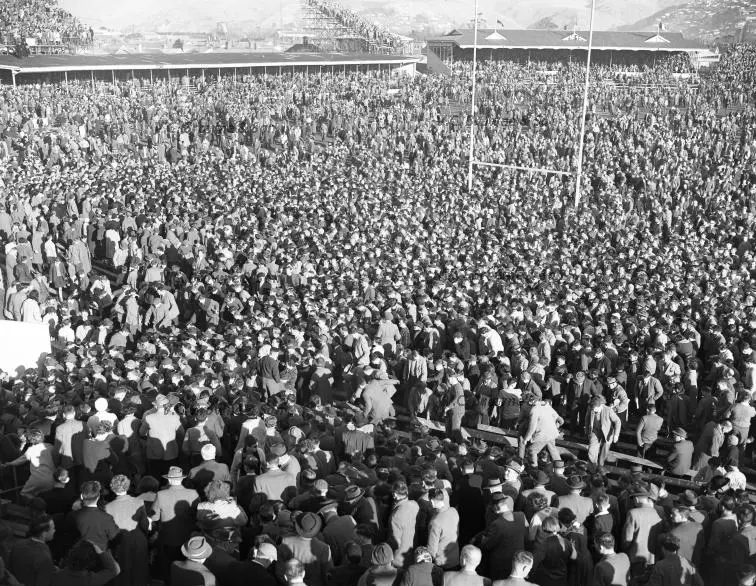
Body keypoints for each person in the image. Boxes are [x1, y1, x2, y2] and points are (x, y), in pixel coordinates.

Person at [151, 466, 201, 582]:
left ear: (169, 480)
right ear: (182, 479)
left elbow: (154, 517)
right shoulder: (193, 493)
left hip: (168, 538)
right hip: (188, 538)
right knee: (187, 570)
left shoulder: (161, 494)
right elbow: (198, 515)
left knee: (169, 570)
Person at [7, 515, 56, 586]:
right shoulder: (45, 559)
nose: (54, 531)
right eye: (53, 528)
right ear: (44, 534)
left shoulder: (17, 544)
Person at [51, 540, 120, 586]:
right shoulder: (91, 580)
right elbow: (115, 570)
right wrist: (100, 551)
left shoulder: (55, 575)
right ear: (91, 562)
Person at [427, 487, 460, 569]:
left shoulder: (435, 522)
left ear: (431, 501)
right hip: (455, 558)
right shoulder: (453, 511)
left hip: (441, 563)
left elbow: (432, 549)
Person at [389, 480, 419, 568]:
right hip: (412, 551)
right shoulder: (415, 505)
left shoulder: (395, 516)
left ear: (394, 494)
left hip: (399, 558)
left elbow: (395, 542)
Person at [585, 396, 621, 466]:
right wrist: (587, 430)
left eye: (596, 410)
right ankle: (593, 465)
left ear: (601, 406)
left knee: (604, 450)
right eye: (594, 410)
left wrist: (616, 435)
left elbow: (617, 421)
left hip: (607, 432)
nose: (595, 412)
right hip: (595, 430)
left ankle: (601, 466)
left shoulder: (608, 410)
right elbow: (587, 418)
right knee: (592, 449)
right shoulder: (590, 408)